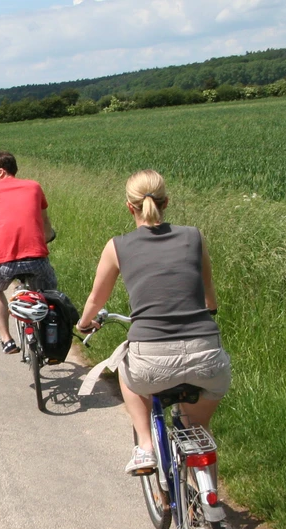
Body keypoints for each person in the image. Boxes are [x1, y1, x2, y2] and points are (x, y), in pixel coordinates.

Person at [75, 169, 230, 475]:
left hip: (151, 360)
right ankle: (208, 501)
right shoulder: (194, 236)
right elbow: (208, 290)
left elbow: (96, 300)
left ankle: (145, 446)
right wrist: (209, 308)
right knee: (199, 430)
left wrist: (84, 324)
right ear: (166, 202)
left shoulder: (117, 246)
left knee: (125, 370)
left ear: (129, 206)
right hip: (206, 354)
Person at [0, 149, 57, 354]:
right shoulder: (34, 187)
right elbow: (45, 223)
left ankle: (7, 340)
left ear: (1, 172)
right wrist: (48, 237)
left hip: (4, 261)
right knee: (49, 292)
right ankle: (49, 335)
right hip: (36, 258)